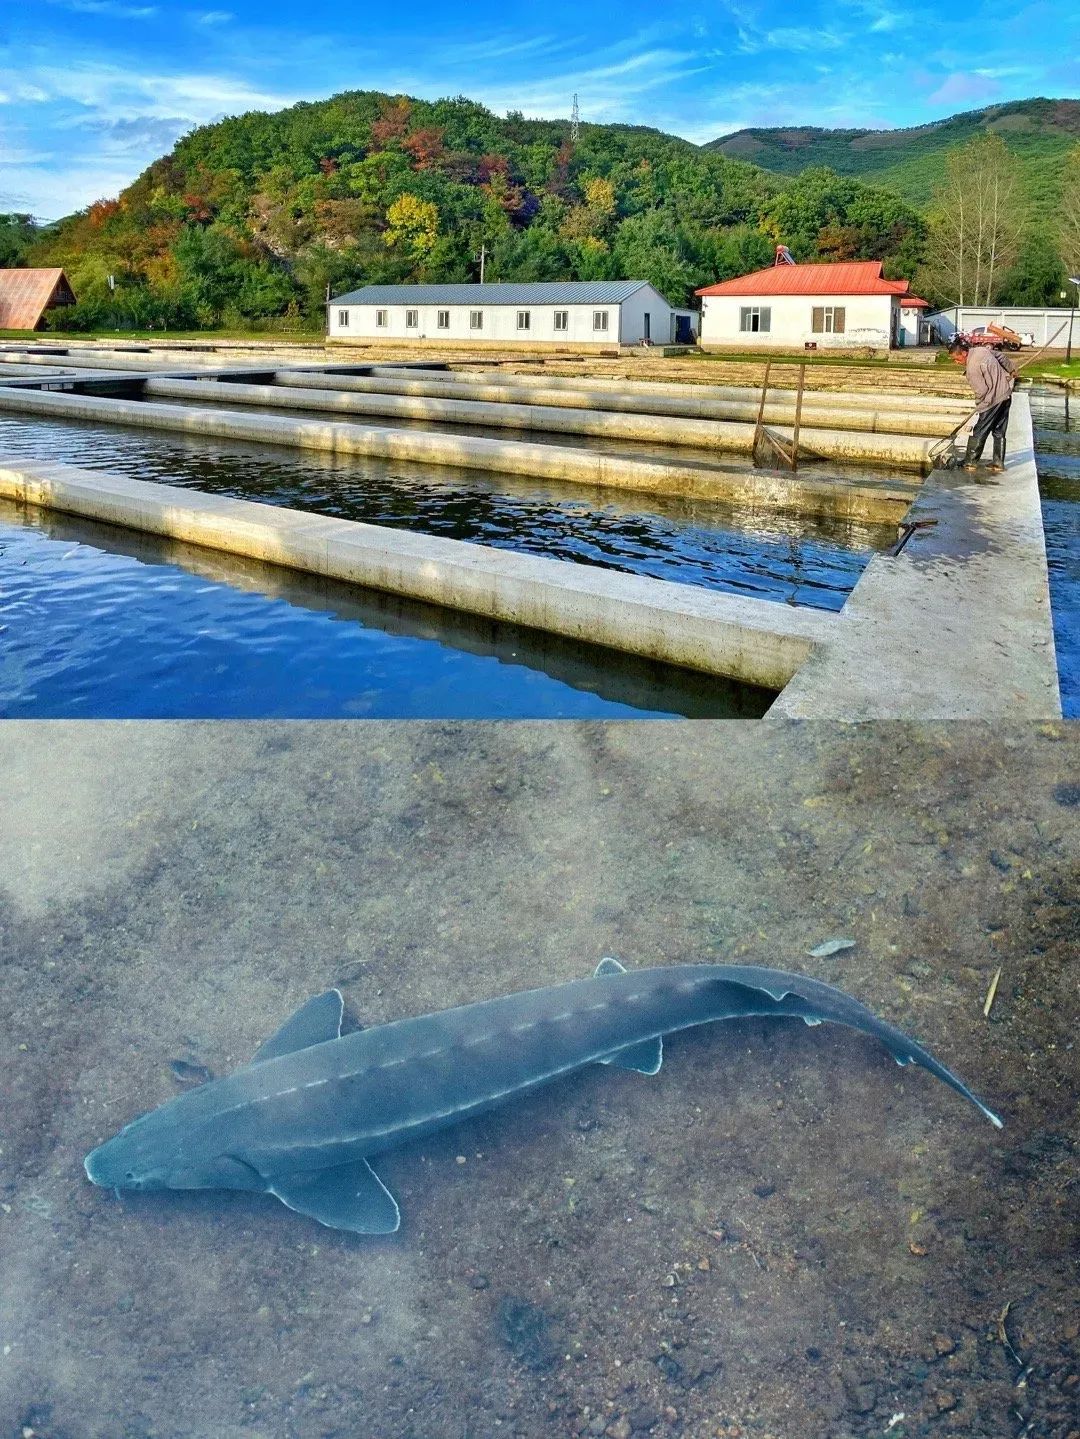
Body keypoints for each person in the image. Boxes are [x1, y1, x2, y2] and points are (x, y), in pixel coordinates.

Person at [947, 336, 1017, 474]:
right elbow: (1001, 357)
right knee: (998, 431)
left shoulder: (972, 369)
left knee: (980, 430)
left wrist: (979, 406)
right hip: (1006, 395)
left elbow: (982, 391)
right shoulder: (982, 351)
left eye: (957, 358)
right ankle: (998, 463)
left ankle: (970, 462)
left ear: (964, 353)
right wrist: (1012, 370)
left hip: (992, 401)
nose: (956, 362)